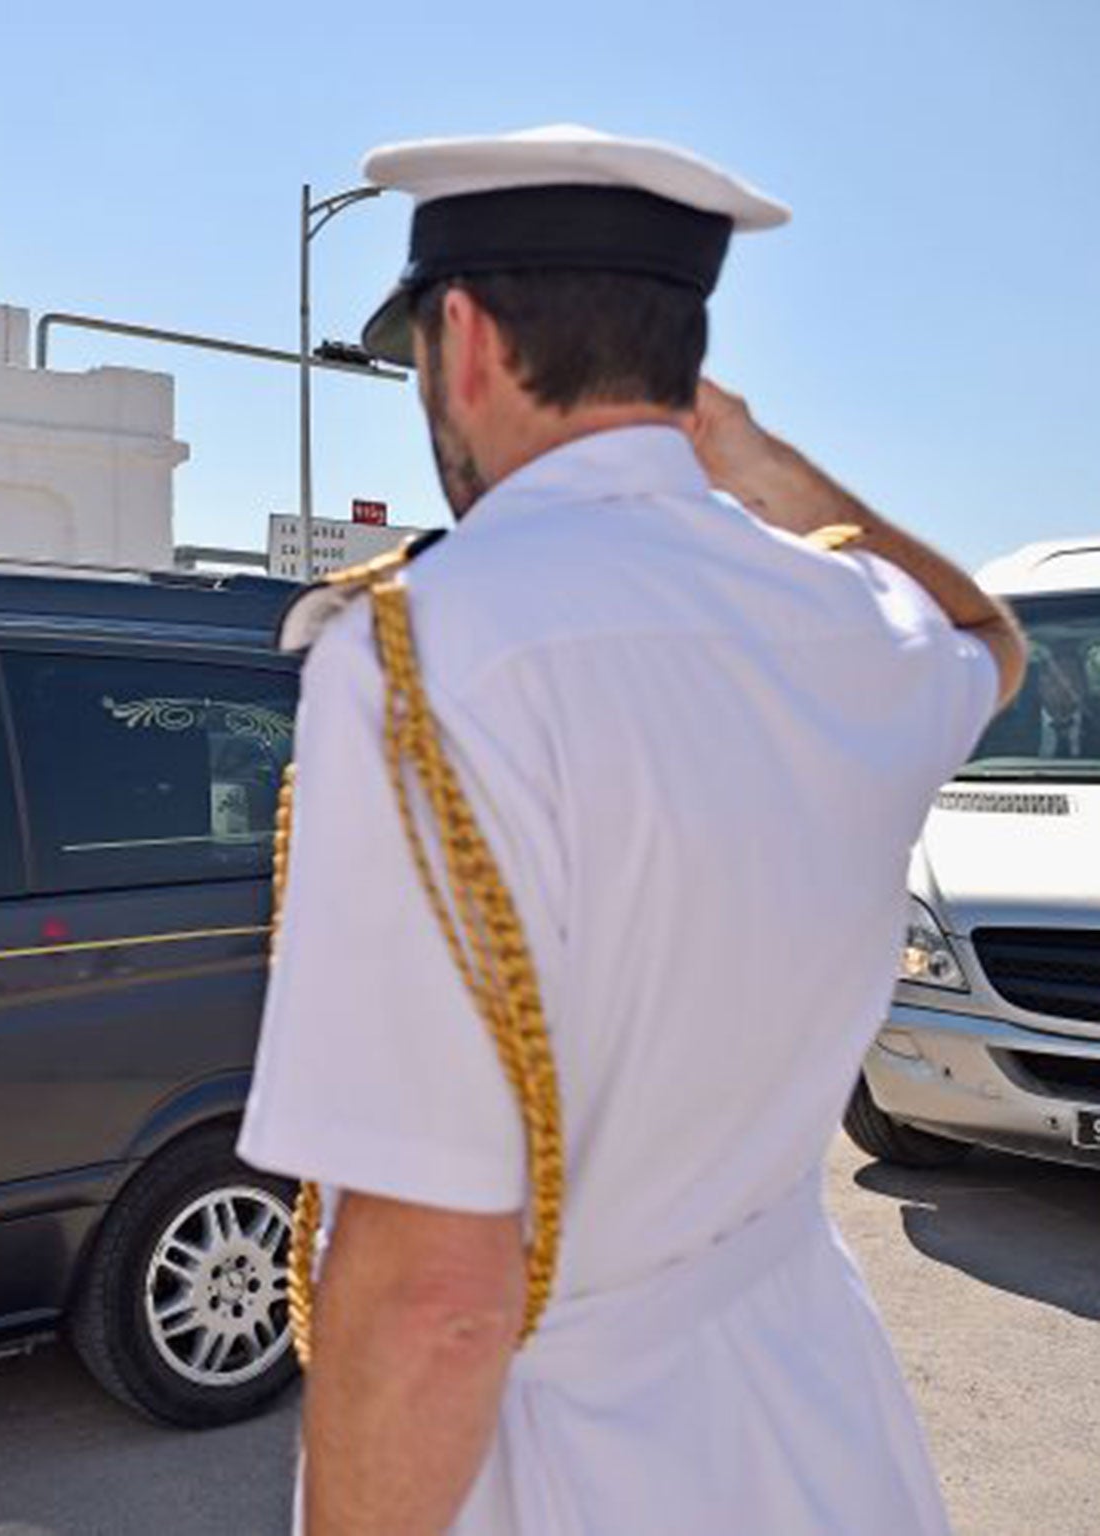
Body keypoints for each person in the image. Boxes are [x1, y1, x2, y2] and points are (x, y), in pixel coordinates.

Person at [238, 125, 1025, 1535]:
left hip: (568, 1469)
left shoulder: (421, 658)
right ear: (682, 366)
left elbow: (433, 1292)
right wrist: (756, 464)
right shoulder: (855, 627)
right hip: (819, 1429)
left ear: (462, 339)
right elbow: (989, 636)